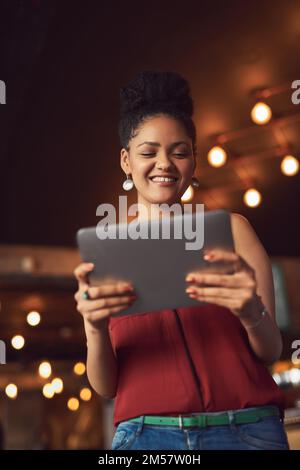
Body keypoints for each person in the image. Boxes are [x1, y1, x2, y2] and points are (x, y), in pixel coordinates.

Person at [74, 71, 289, 450]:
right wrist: (94, 327)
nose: (165, 164)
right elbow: (106, 387)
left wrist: (249, 309)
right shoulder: (109, 250)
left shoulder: (234, 230)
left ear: (194, 159)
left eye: (179, 151)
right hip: (146, 437)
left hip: (248, 429)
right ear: (126, 160)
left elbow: (270, 350)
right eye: (148, 152)